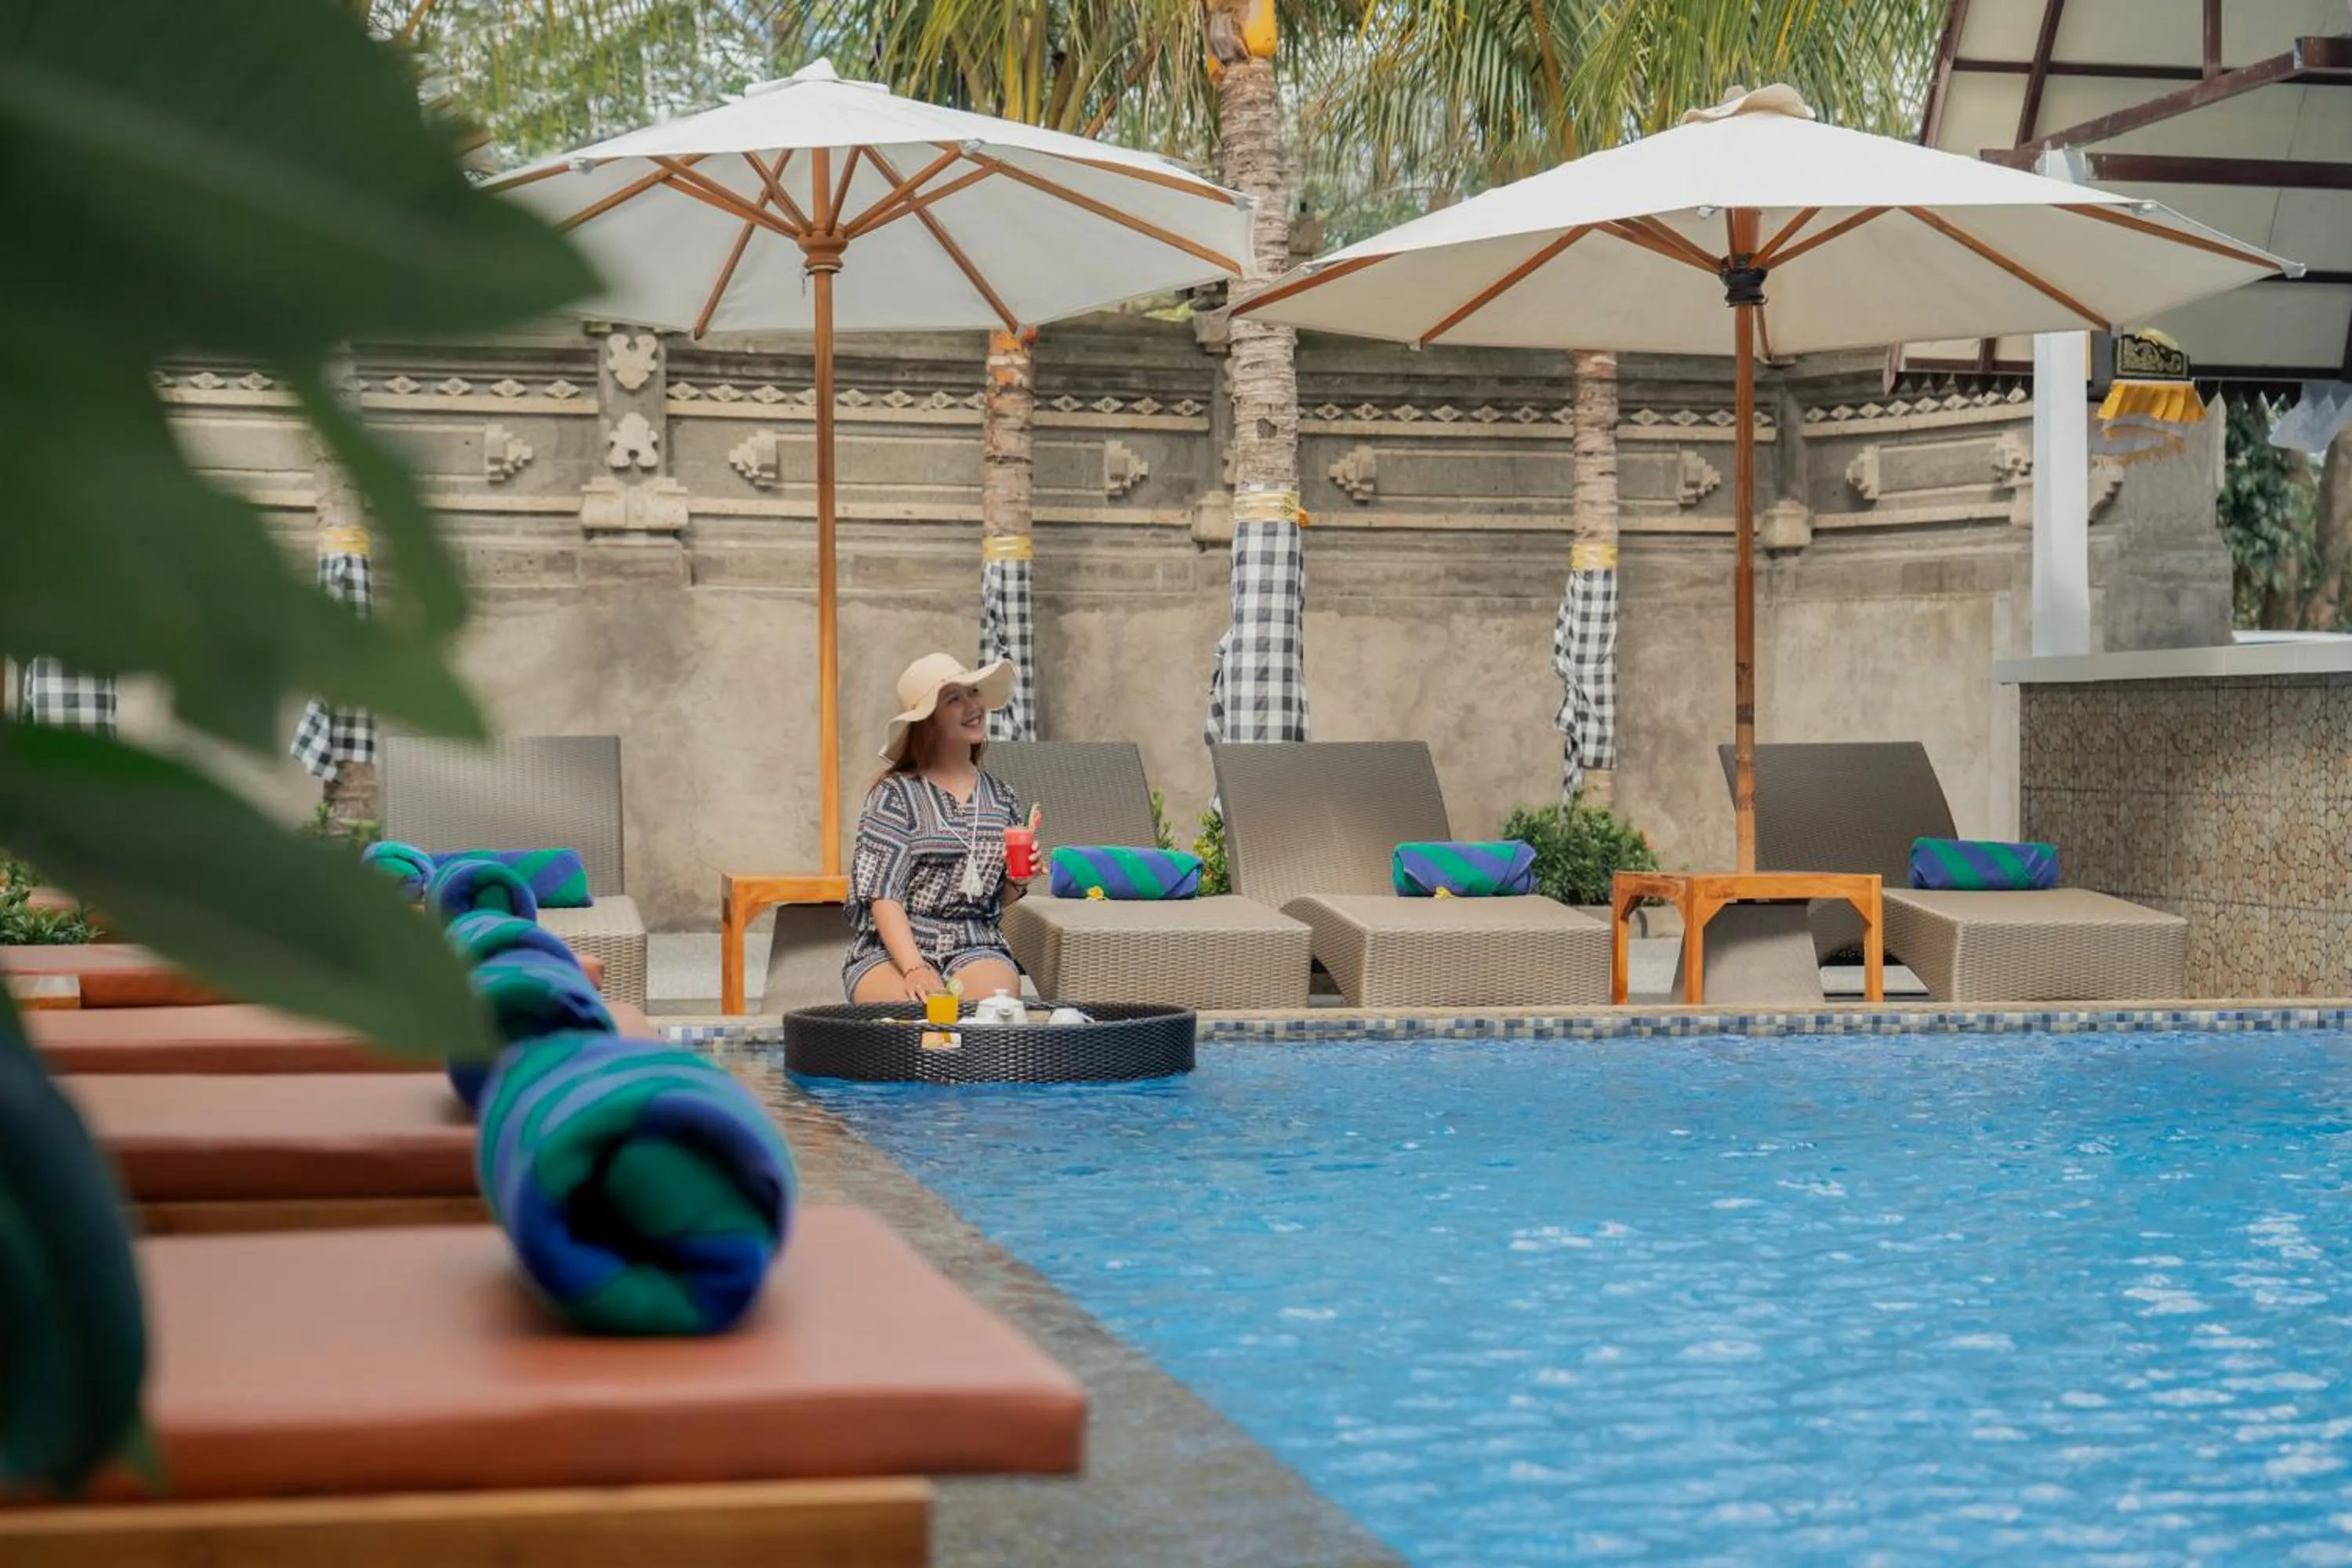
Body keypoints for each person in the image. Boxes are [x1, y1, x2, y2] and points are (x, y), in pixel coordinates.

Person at [843, 652, 1034, 1004]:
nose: (972, 706)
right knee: (917, 1008)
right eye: (953, 699)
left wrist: (1017, 882)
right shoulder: (895, 795)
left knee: (996, 1002)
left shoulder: (1001, 797)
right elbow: (884, 896)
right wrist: (915, 968)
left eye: (974, 692)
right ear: (927, 721)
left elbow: (990, 902)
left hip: (974, 942)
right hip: (894, 950)